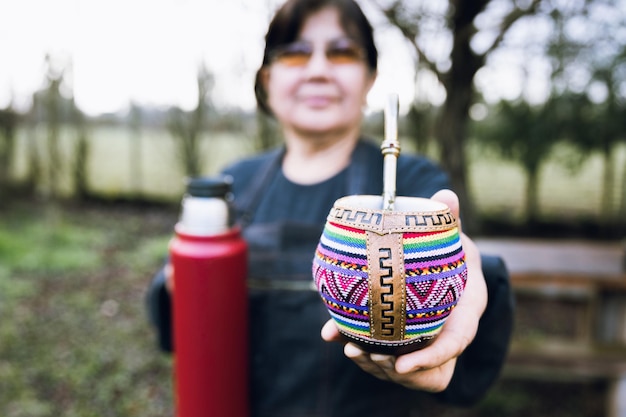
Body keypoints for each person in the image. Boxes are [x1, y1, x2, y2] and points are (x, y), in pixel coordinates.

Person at [146, 0, 514, 415]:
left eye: (341, 52)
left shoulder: (413, 183)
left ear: (369, 77)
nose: (318, 69)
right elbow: (182, 330)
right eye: (295, 53)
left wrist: (463, 270)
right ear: (268, 78)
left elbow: (457, 249)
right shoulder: (235, 184)